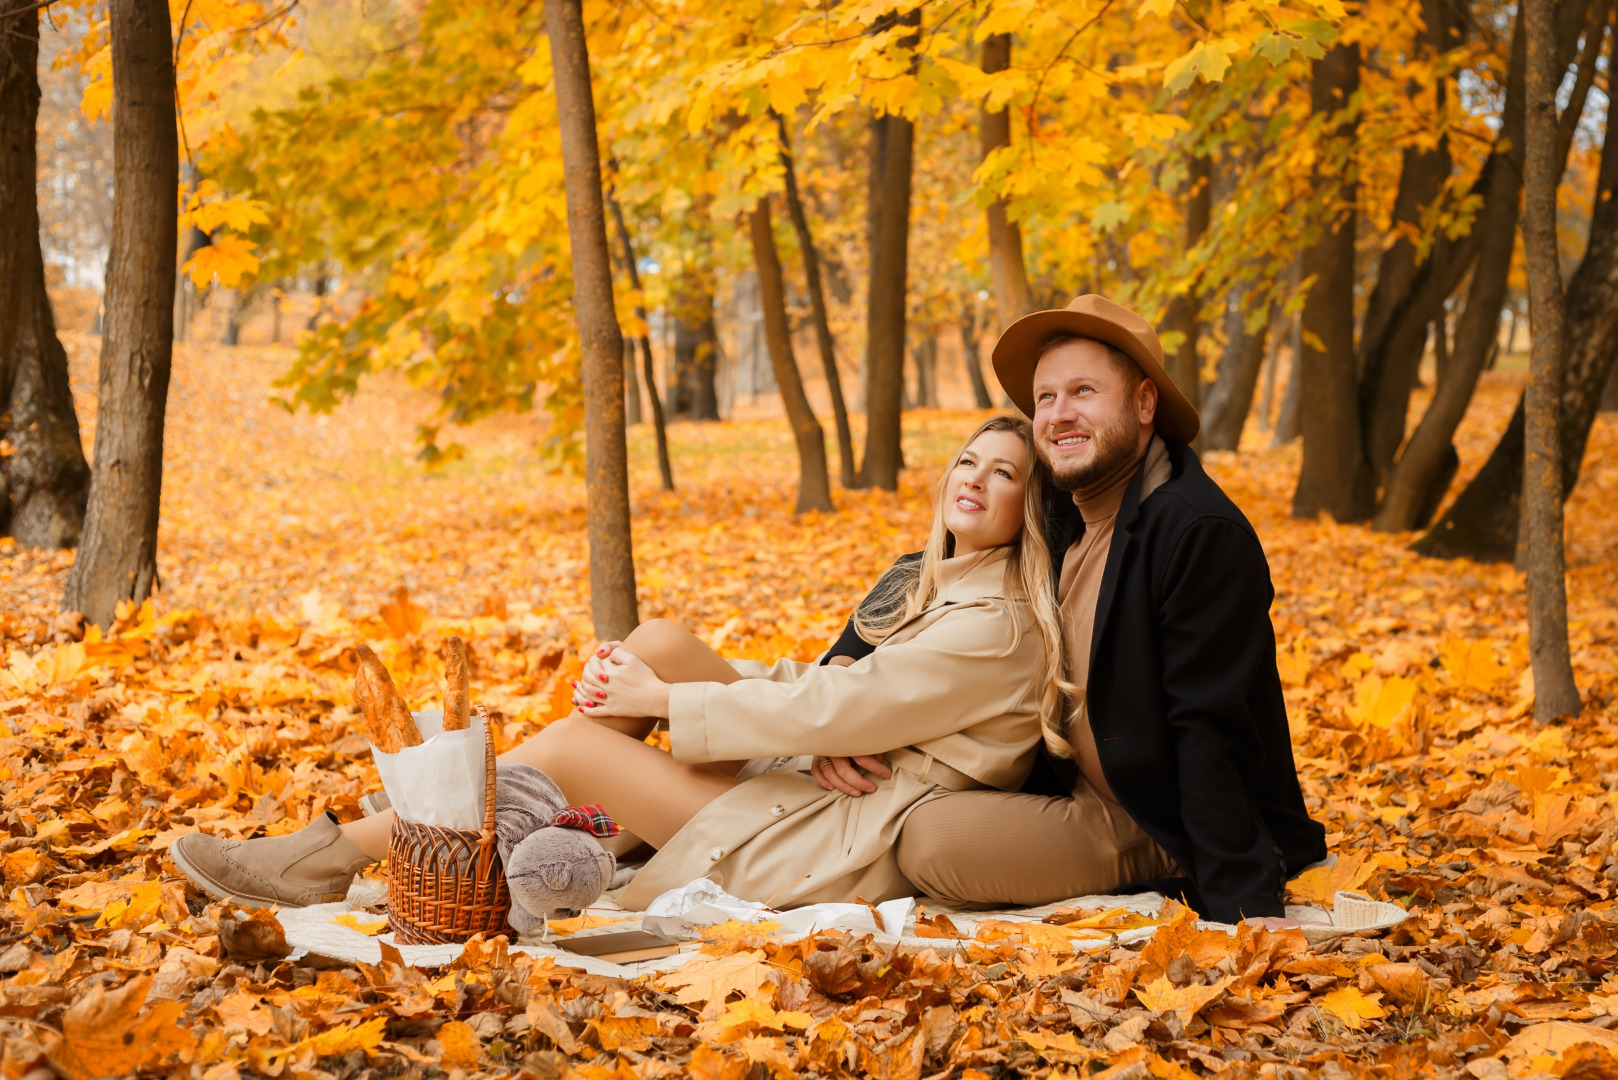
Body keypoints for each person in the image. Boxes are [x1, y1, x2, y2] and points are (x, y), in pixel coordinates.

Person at [170, 416, 1070, 914]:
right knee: (661, 640)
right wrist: (660, 682)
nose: (976, 480)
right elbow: (829, 691)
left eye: (1006, 475)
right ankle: (488, 827)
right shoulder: (942, 585)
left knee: (574, 747)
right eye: (967, 460)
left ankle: (334, 855)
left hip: (840, 835)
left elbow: (852, 703)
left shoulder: (998, 624)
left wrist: (671, 706)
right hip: (827, 777)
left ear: (1032, 511)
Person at [812, 295, 1326, 925]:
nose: (1058, 415)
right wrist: (844, 661)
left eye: (1083, 391)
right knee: (865, 790)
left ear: (1143, 404)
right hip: (1051, 780)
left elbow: (1209, 726)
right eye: (1046, 398)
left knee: (929, 840)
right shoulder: (1065, 505)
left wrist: (1243, 905)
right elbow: (927, 563)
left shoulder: (1195, 532)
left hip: (1152, 817)